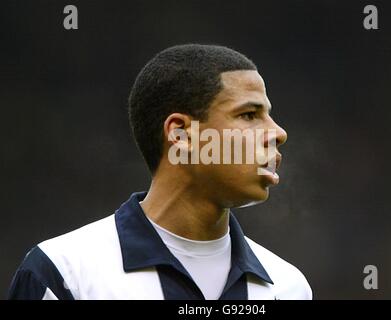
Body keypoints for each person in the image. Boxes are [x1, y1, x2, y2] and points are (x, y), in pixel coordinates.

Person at [8, 44, 312, 300]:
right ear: (180, 134)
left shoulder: (287, 287)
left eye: (268, 115)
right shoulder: (64, 274)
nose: (278, 132)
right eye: (249, 115)